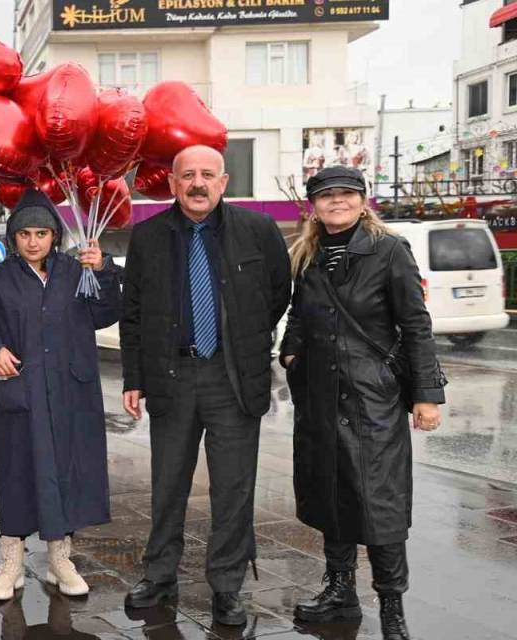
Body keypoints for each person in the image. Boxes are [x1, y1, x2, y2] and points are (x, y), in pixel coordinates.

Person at [119, 145, 291, 626]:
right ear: (172, 183)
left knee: (233, 488)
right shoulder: (148, 236)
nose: (198, 183)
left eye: (207, 175)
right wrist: (135, 377)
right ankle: (159, 574)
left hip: (233, 380)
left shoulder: (257, 230)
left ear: (224, 180)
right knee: (167, 483)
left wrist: (243, 341)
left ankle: (228, 585)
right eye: (187, 175)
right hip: (172, 378)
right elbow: (132, 312)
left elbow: (278, 293)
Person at [280, 166, 445, 640]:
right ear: (314, 204)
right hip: (319, 397)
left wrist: (426, 395)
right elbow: (299, 313)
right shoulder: (308, 255)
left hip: (373, 399)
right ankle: (340, 590)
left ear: (362, 200)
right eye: (327, 195)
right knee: (331, 495)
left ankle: (392, 604)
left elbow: (416, 326)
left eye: (346, 194)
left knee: (380, 504)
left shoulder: (389, 251)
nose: (337, 202)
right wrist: (291, 353)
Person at [0, 189, 121, 601]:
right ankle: (11, 559)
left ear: (54, 236)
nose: (33, 241)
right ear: (13, 238)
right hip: (21, 394)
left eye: (41, 233)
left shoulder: (73, 271)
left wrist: (103, 272)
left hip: (68, 392)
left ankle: (61, 559)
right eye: (24, 233)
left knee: (68, 470)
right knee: (16, 471)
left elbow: (108, 311)